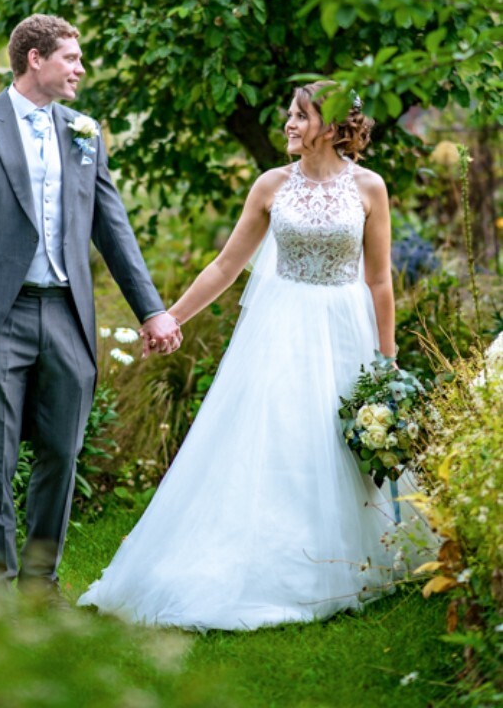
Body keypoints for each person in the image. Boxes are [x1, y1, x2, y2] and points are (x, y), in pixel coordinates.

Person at [78, 81, 418, 630]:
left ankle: (343, 560)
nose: (288, 124)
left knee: (336, 445)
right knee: (278, 435)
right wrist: (168, 316)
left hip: (344, 330)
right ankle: (266, 560)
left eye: (300, 116)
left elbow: (379, 281)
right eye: (289, 114)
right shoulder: (270, 186)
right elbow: (224, 266)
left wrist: (386, 362)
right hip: (280, 330)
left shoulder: (370, 188)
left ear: (330, 127)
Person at [0, 13, 181, 604]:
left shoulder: (85, 130)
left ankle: (40, 586)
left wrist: (152, 311)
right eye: (71, 57)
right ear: (34, 59)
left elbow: (112, 228)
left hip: (67, 314)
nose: (80, 69)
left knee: (62, 454)